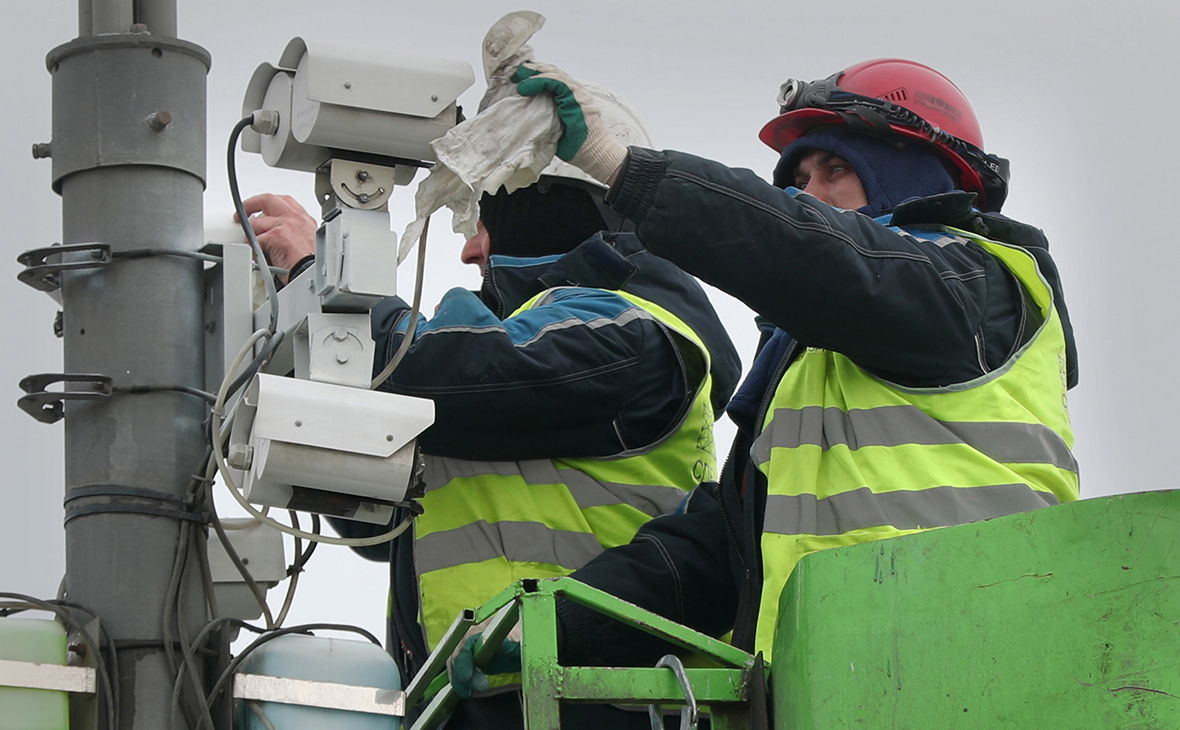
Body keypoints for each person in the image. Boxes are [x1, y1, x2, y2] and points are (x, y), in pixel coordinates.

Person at [454, 57, 1079, 675]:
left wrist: (619, 167)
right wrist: (550, 624)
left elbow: (818, 255)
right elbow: (717, 552)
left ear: (913, 176)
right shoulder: (814, 372)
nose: (808, 193)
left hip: (974, 670)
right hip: (842, 690)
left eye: (835, 168)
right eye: (798, 180)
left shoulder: (976, 285)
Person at [242, 82, 742, 728]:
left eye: (485, 218)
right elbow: (385, 525)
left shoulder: (634, 331)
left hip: (596, 705)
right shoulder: (517, 364)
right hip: (496, 702)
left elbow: (452, 368)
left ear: (547, 204)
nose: (471, 248)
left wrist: (327, 280)